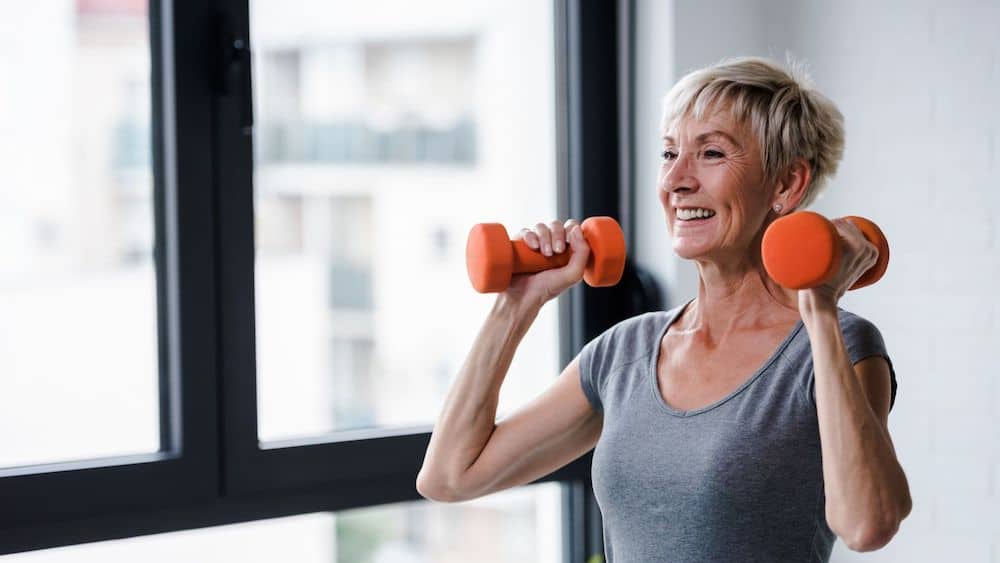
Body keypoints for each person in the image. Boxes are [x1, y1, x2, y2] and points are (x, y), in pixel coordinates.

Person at [416, 56, 911, 562]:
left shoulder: (838, 346)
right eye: (669, 152)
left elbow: (866, 524)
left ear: (786, 185)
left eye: (711, 153)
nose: (677, 179)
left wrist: (821, 309)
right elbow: (450, 476)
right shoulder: (623, 353)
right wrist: (515, 307)